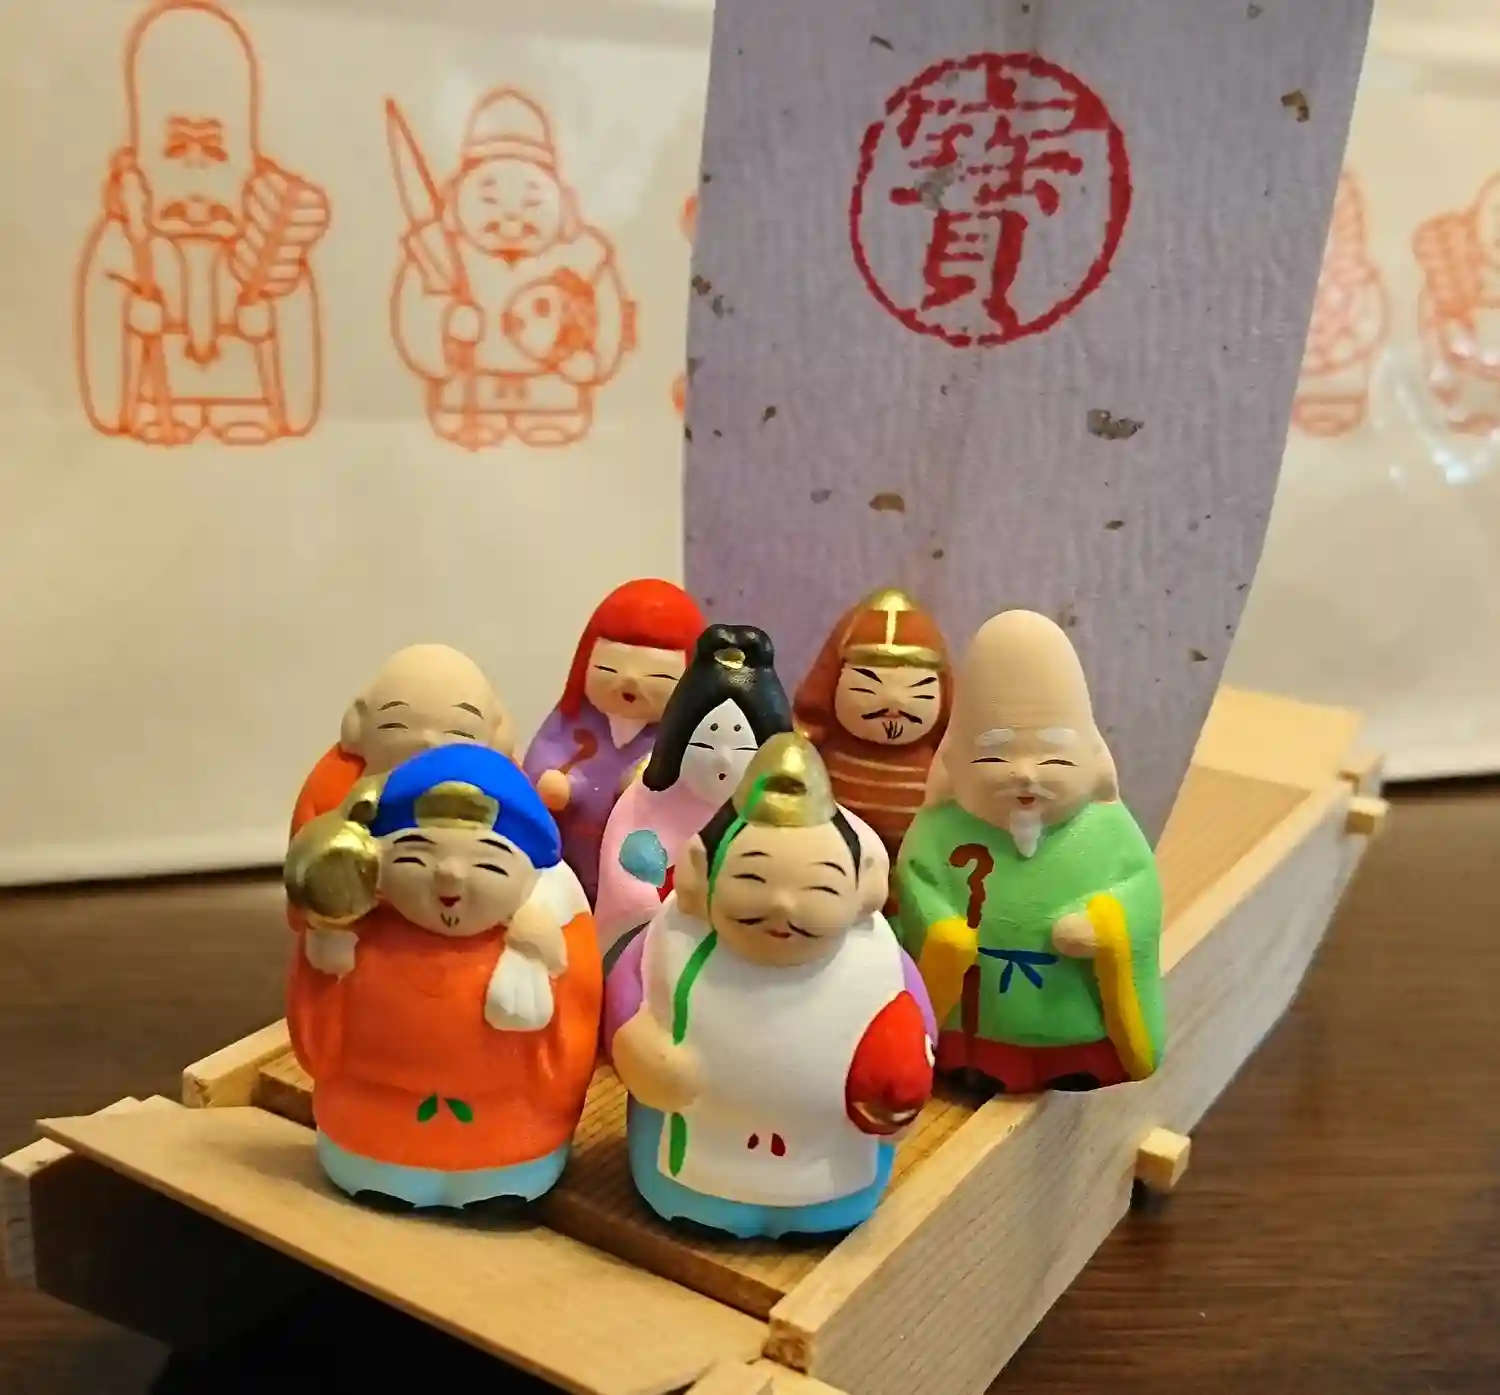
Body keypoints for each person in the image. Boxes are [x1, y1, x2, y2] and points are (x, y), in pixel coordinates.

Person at [605, 733, 935, 1239]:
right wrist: (638, 1048)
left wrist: (903, 1078)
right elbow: (623, 1001)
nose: (783, 906)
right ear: (704, 876)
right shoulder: (673, 940)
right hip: (695, 1146)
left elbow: (914, 1021)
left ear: (861, 887)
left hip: (833, 1158)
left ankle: (822, 1212)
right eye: (753, 880)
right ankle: (702, 1206)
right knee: (695, 1191)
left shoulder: (876, 956)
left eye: (819, 887)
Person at [284, 744, 601, 1208]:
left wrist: (548, 960)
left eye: (487, 862)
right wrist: (324, 950)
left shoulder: (547, 936)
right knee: (375, 1161)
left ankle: (504, 1173)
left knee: (504, 1171)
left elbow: (576, 1026)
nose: (450, 877)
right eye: (417, 857)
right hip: (371, 1120)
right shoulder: (359, 929)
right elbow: (316, 1032)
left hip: (509, 1130)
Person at [895, 610, 1164, 1095]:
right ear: (955, 762)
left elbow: (1140, 887)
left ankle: (1074, 1059)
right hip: (977, 1008)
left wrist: (1106, 924)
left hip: (1069, 1003)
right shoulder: (939, 829)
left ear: (1092, 759)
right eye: (994, 756)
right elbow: (918, 883)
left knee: (1075, 1043)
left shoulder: (1106, 828)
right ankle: (974, 1060)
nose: (1024, 773)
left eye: (1054, 756)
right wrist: (944, 933)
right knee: (976, 1041)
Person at [77, 0, 328, 445]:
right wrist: (132, 323)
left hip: (246, 409)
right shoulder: (122, 247)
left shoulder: (269, 247)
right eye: (175, 148)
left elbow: (300, 402)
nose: (195, 168)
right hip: (156, 411)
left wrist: (267, 329)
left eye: (215, 149)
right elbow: (106, 400)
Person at [594, 625, 791, 965]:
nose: (723, 759)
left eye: (740, 746)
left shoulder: (783, 810)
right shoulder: (645, 803)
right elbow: (624, 879)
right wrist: (650, 903)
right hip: (656, 946)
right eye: (708, 742)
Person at [523, 579, 704, 900]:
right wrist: (556, 781)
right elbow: (546, 751)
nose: (630, 680)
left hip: (646, 881)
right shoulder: (575, 716)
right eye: (609, 667)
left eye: (658, 675)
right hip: (571, 863)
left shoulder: (685, 736)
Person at [289, 644, 515, 839]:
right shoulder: (339, 783)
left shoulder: (506, 788)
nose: (428, 743)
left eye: (459, 732)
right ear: (357, 725)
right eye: (395, 726)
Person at [793, 586, 950, 862]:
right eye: (869, 683)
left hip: (914, 863)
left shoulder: (944, 758)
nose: (894, 702)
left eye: (917, 687)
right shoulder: (813, 749)